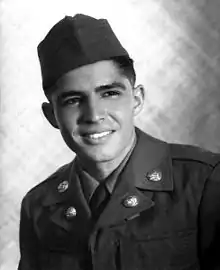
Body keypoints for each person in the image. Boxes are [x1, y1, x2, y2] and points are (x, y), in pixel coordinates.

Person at [18, 14, 220, 270]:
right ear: (51, 116)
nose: (93, 115)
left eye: (110, 93)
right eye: (73, 100)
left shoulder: (205, 183)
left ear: (136, 100)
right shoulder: (39, 206)